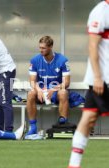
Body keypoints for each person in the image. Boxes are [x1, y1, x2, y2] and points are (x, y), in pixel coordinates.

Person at [68, 1, 109, 167]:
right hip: (103, 78)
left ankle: (73, 164)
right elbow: (92, 46)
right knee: (88, 118)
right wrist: (97, 77)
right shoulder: (101, 11)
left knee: (89, 117)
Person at [26, 36, 71, 137]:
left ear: (51, 47)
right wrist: (39, 90)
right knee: (30, 93)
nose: (41, 50)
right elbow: (32, 81)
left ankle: (62, 125)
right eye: (40, 47)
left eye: (44, 48)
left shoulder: (63, 60)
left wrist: (53, 89)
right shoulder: (34, 60)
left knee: (63, 92)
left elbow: (66, 82)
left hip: (55, 91)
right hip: (41, 91)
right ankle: (33, 127)